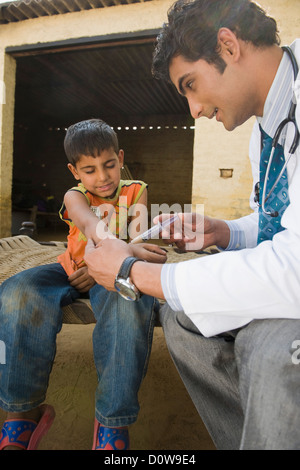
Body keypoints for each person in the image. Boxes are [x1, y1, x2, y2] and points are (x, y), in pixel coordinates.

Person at [83, 0, 300, 450]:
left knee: (275, 350)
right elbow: (280, 224)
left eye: (191, 85)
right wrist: (226, 231)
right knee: (183, 320)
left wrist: (133, 273)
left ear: (228, 44)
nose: (194, 109)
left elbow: (295, 268)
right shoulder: (267, 130)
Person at [0, 118, 167, 450]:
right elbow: (90, 224)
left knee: (132, 299)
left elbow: (143, 242)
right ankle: (21, 414)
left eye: (108, 165)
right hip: (69, 269)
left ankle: (111, 422)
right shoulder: (74, 195)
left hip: (113, 274)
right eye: (89, 170)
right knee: (17, 291)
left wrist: (112, 261)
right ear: (75, 171)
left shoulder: (137, 190)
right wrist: (113, 253)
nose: (102, 177)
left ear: (120, 157)